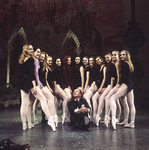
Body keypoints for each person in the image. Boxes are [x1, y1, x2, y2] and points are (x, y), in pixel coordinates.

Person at [19, 44, 56, 131]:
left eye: (32, 49)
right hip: (29, 82)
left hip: (22, 82)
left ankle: (25, 124)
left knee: (25, 104)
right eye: (30, 49)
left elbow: (21, 74)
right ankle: (50, 119)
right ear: (27, 50)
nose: (32, 50)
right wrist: (34, 86)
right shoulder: (31, 59)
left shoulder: (21, 60)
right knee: (43, 99)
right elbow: (32, 74)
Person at [109, 50, 136, 129]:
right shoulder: (128, 64)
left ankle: (114, 118)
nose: (122, 56)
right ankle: (128, 121)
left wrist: (118, 86)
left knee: (112, 98)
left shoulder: (125, 64)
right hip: (129, 84)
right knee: (128, 104)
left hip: (126, 84)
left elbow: (123, 77)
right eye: (120, 55)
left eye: (123, 55)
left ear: (127, 55)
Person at [53, 58, 69, 124]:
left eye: (59, 61)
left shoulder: (61, 69)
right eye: (57, 61)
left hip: (60, 86)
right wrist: (56, 88)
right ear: (55, 62)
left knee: (57, 100)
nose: (58, 62)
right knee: (66, 98)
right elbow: (54, 80)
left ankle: (55, 116)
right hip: (57, 86)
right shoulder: (55, 69)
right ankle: (64, 115)